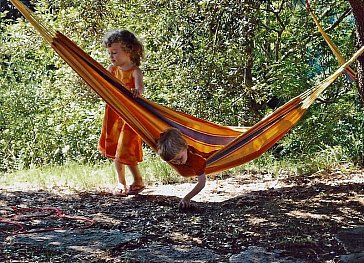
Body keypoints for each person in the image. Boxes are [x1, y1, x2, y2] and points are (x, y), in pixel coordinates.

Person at [98, 29, 145, 196]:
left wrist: (136, 92)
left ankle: (129, 181)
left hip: (130, 116)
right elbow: (103, 84)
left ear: (129, 50)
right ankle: (127, 181)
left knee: (125, 150)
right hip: (114, 114)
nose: (111, 56)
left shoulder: (134, 71)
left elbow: (140, 89)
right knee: (118, 149)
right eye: (109, 53)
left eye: (115, 52)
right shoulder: (112, 69)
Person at [157, 128, 207, 208]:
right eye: (173, 161)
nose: (178, 163)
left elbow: (202, 183)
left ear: (185, 147)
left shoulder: (196, 160)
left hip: (213, 155)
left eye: (180, 158)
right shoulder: (173, 152)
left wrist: (187, 198)